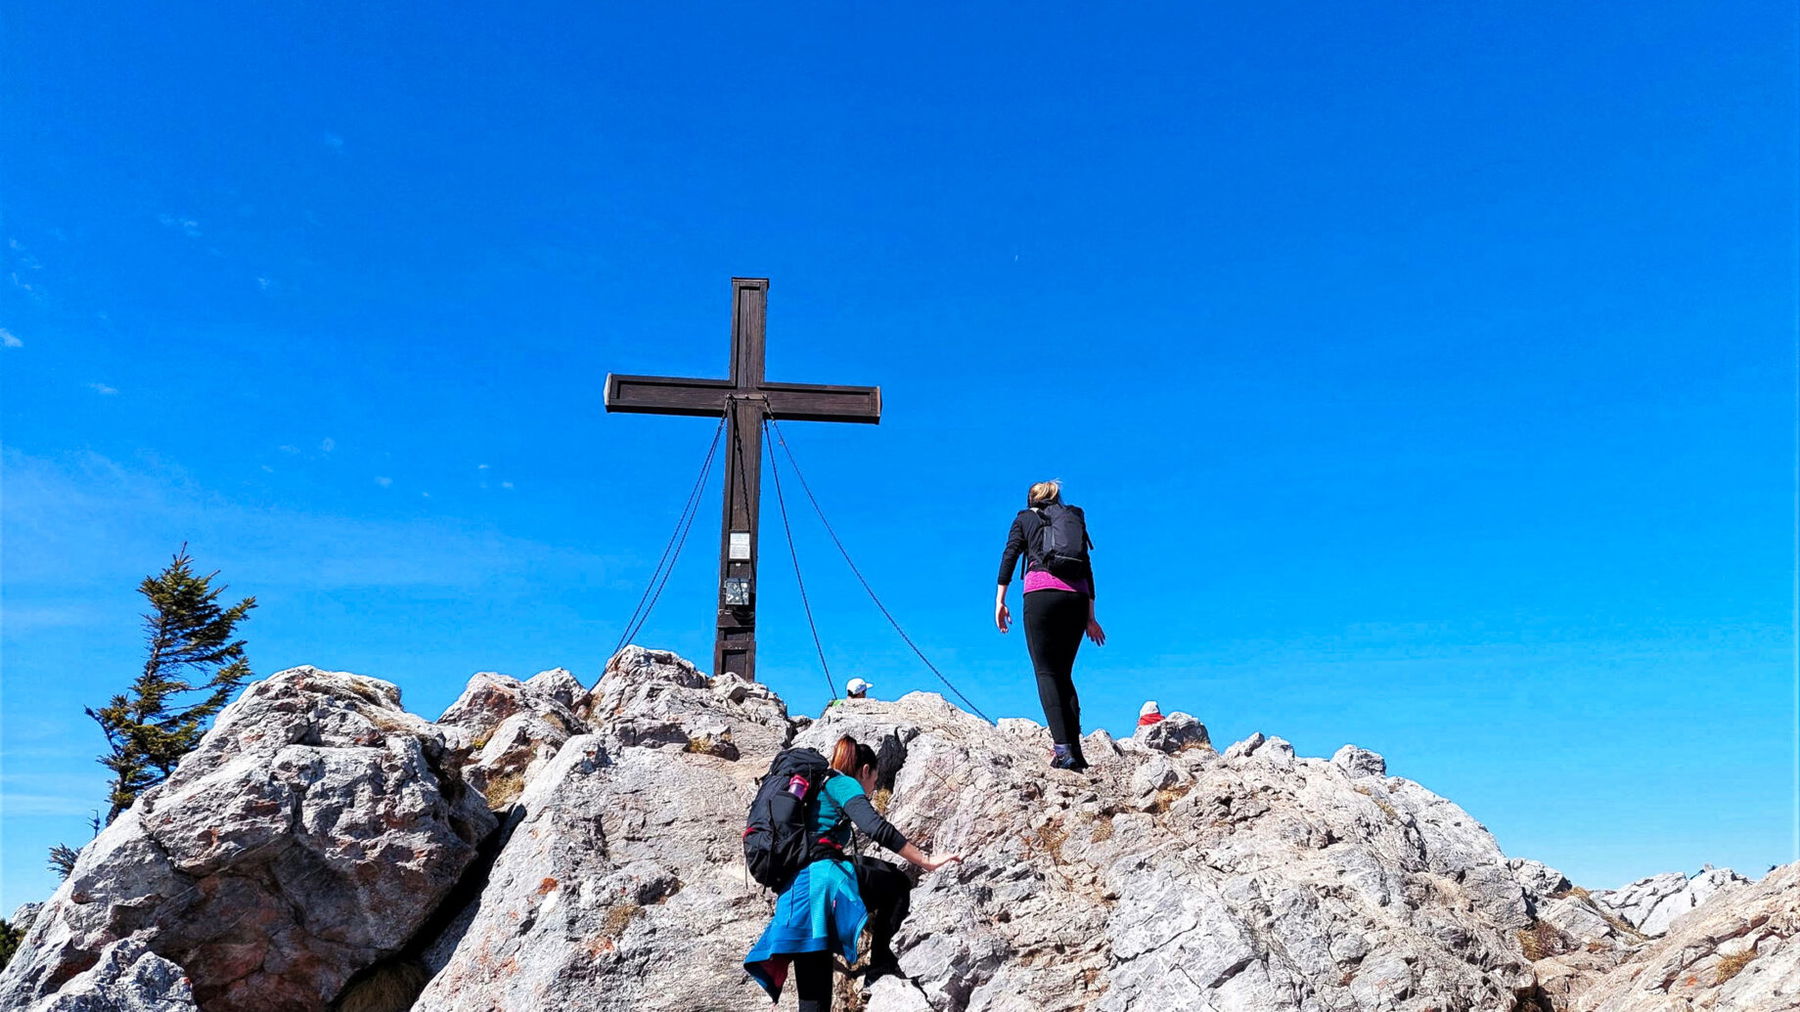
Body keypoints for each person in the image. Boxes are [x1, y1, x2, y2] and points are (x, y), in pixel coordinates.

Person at [744, 735, 960, 1011]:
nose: (872, 790)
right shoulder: (842, 782)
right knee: (896, 881)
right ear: (866, 771)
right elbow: (876, 828)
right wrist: (926, 860)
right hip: (823, 883)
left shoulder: (817, 787)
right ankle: (880, 965)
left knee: (814, 1003)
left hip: (795, 896)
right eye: (874, 782)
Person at [995, 479, 1104, 771]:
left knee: (1046, 672)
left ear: (1031, 499)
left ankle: (1062, 751)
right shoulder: (1073, 518)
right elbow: (1087, 567)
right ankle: (1076, 752)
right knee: (1064, 674)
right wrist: (1090, 617)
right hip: (1077, 598)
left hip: (1041, 594)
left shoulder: (1024, 518)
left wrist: (1000, 600)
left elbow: (1010, 555)